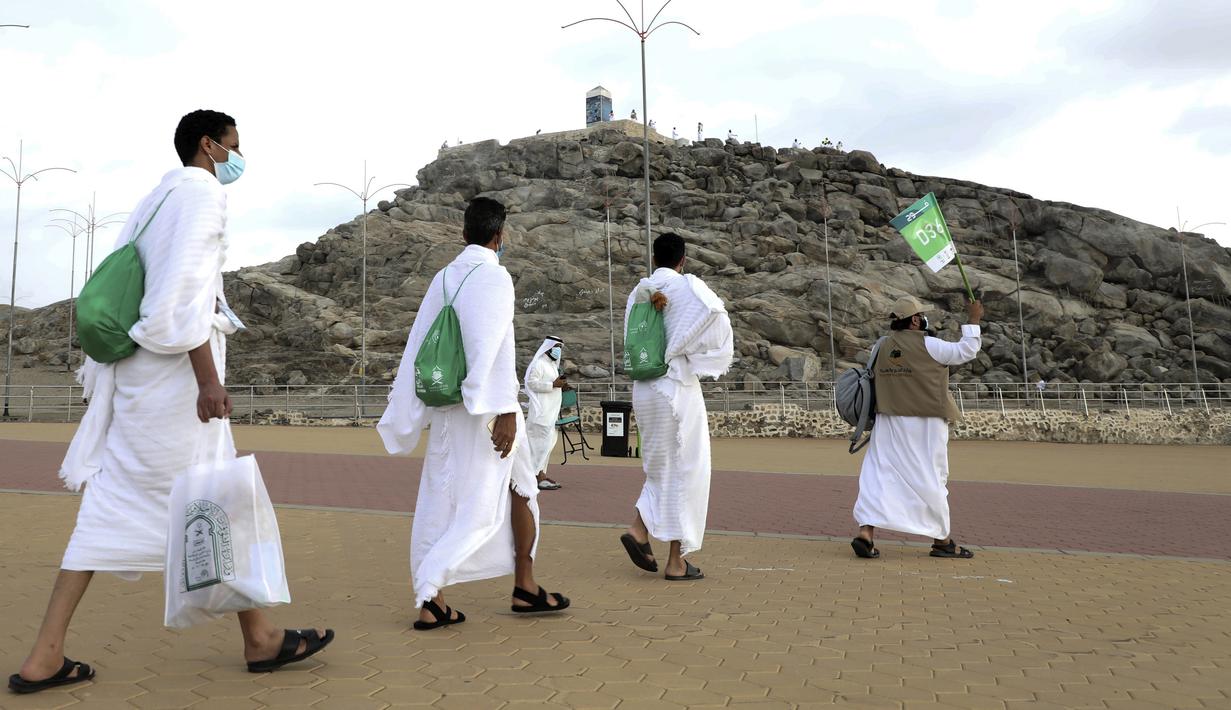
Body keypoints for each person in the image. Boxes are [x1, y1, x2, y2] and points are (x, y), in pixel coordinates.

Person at [8, 110, 333, 696]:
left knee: (128, 507)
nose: (239, 155)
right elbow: (179, 303)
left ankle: (44, 657)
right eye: (234, 144)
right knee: (214, 500)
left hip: (139, 384)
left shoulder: (156, 199)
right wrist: (209, 381)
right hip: (175, 388)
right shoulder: (202, 196)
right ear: (209, 146)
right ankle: (259, 638)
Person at [379, 196, 570, 630]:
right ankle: (435, 586)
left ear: (463, 233)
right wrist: (504, 409)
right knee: (484, 502)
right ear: (500, 236)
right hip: (488, 410)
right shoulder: (495, 277)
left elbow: (418, 343)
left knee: (453, 495)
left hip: (448, 404)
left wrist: (410, 406)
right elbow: (495, 345)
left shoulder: (443, 277)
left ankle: (518, 586)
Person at [619, 233, 734, 582]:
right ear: (682, 260)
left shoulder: (637, 292)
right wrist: (697, 355)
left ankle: (641, 529)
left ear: (655, 258)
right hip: (674, 388)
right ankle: (676, 561)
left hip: (644, 390)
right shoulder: (687, 287)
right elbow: (717, 319)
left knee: (661, 468)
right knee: (689, 471)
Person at [851, 296, 984, 560]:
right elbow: (967, 350)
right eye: (923, 316)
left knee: (878, 475)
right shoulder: (930, 345)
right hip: (925, 423)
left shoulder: (881, 347)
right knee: (930, 476)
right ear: (914, 320)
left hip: (888, 421)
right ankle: (942, 541)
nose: (925, 320)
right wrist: (974, 319)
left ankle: (866, 533)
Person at [524, 336, 568, 491]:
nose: (558, 350)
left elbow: (552, 385)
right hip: (540, 414)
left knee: (546, 446)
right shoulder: (539, 364)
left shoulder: (552, 365)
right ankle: (535, 476)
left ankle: (541, 474)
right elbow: (531, 383)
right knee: (538, 447)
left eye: (560, 347)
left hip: (550, 414)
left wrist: (561, 385)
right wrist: (552, 384)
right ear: (547, 347)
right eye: (556, 346)